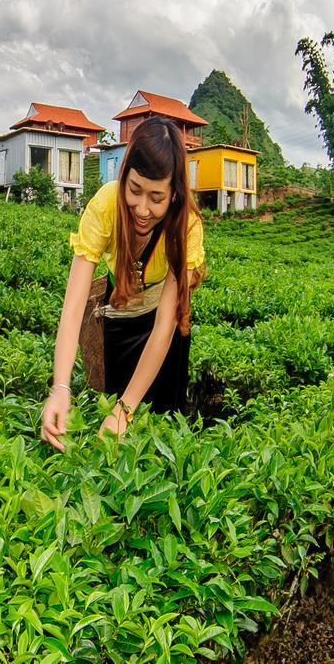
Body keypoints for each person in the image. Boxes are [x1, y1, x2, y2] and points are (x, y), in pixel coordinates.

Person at [41, 116, 205, 450]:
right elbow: (73, 307)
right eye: (134, 190)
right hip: (121, 311)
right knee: (112, 406)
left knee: (161, 422)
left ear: (175, 193)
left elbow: (163, 328)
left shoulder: (185, 227)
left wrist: (125, 410)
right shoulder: (105, 206)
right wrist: (60, 388)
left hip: (163, 321)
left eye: (156, 197)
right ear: (124, 176)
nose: (142, 209)